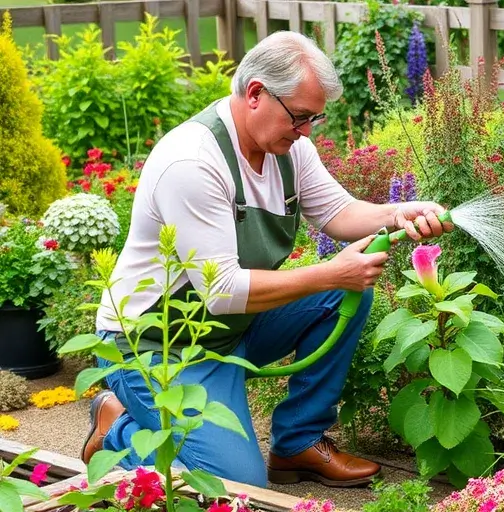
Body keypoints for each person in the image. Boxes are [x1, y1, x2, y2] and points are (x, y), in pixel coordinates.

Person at [80, 30, 452, 489]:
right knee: (233, 484)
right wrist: (331, 272)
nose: (307, 131)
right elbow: (221, 293)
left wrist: (400, 212)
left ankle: (298, 442)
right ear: (256, 93)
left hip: (232, 328)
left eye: (314, 118)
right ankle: (116, 425)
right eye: (300, 117)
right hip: (159, 343)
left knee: (344, 294)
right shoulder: (192, 163)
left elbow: (338, 213)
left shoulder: (289, 150)